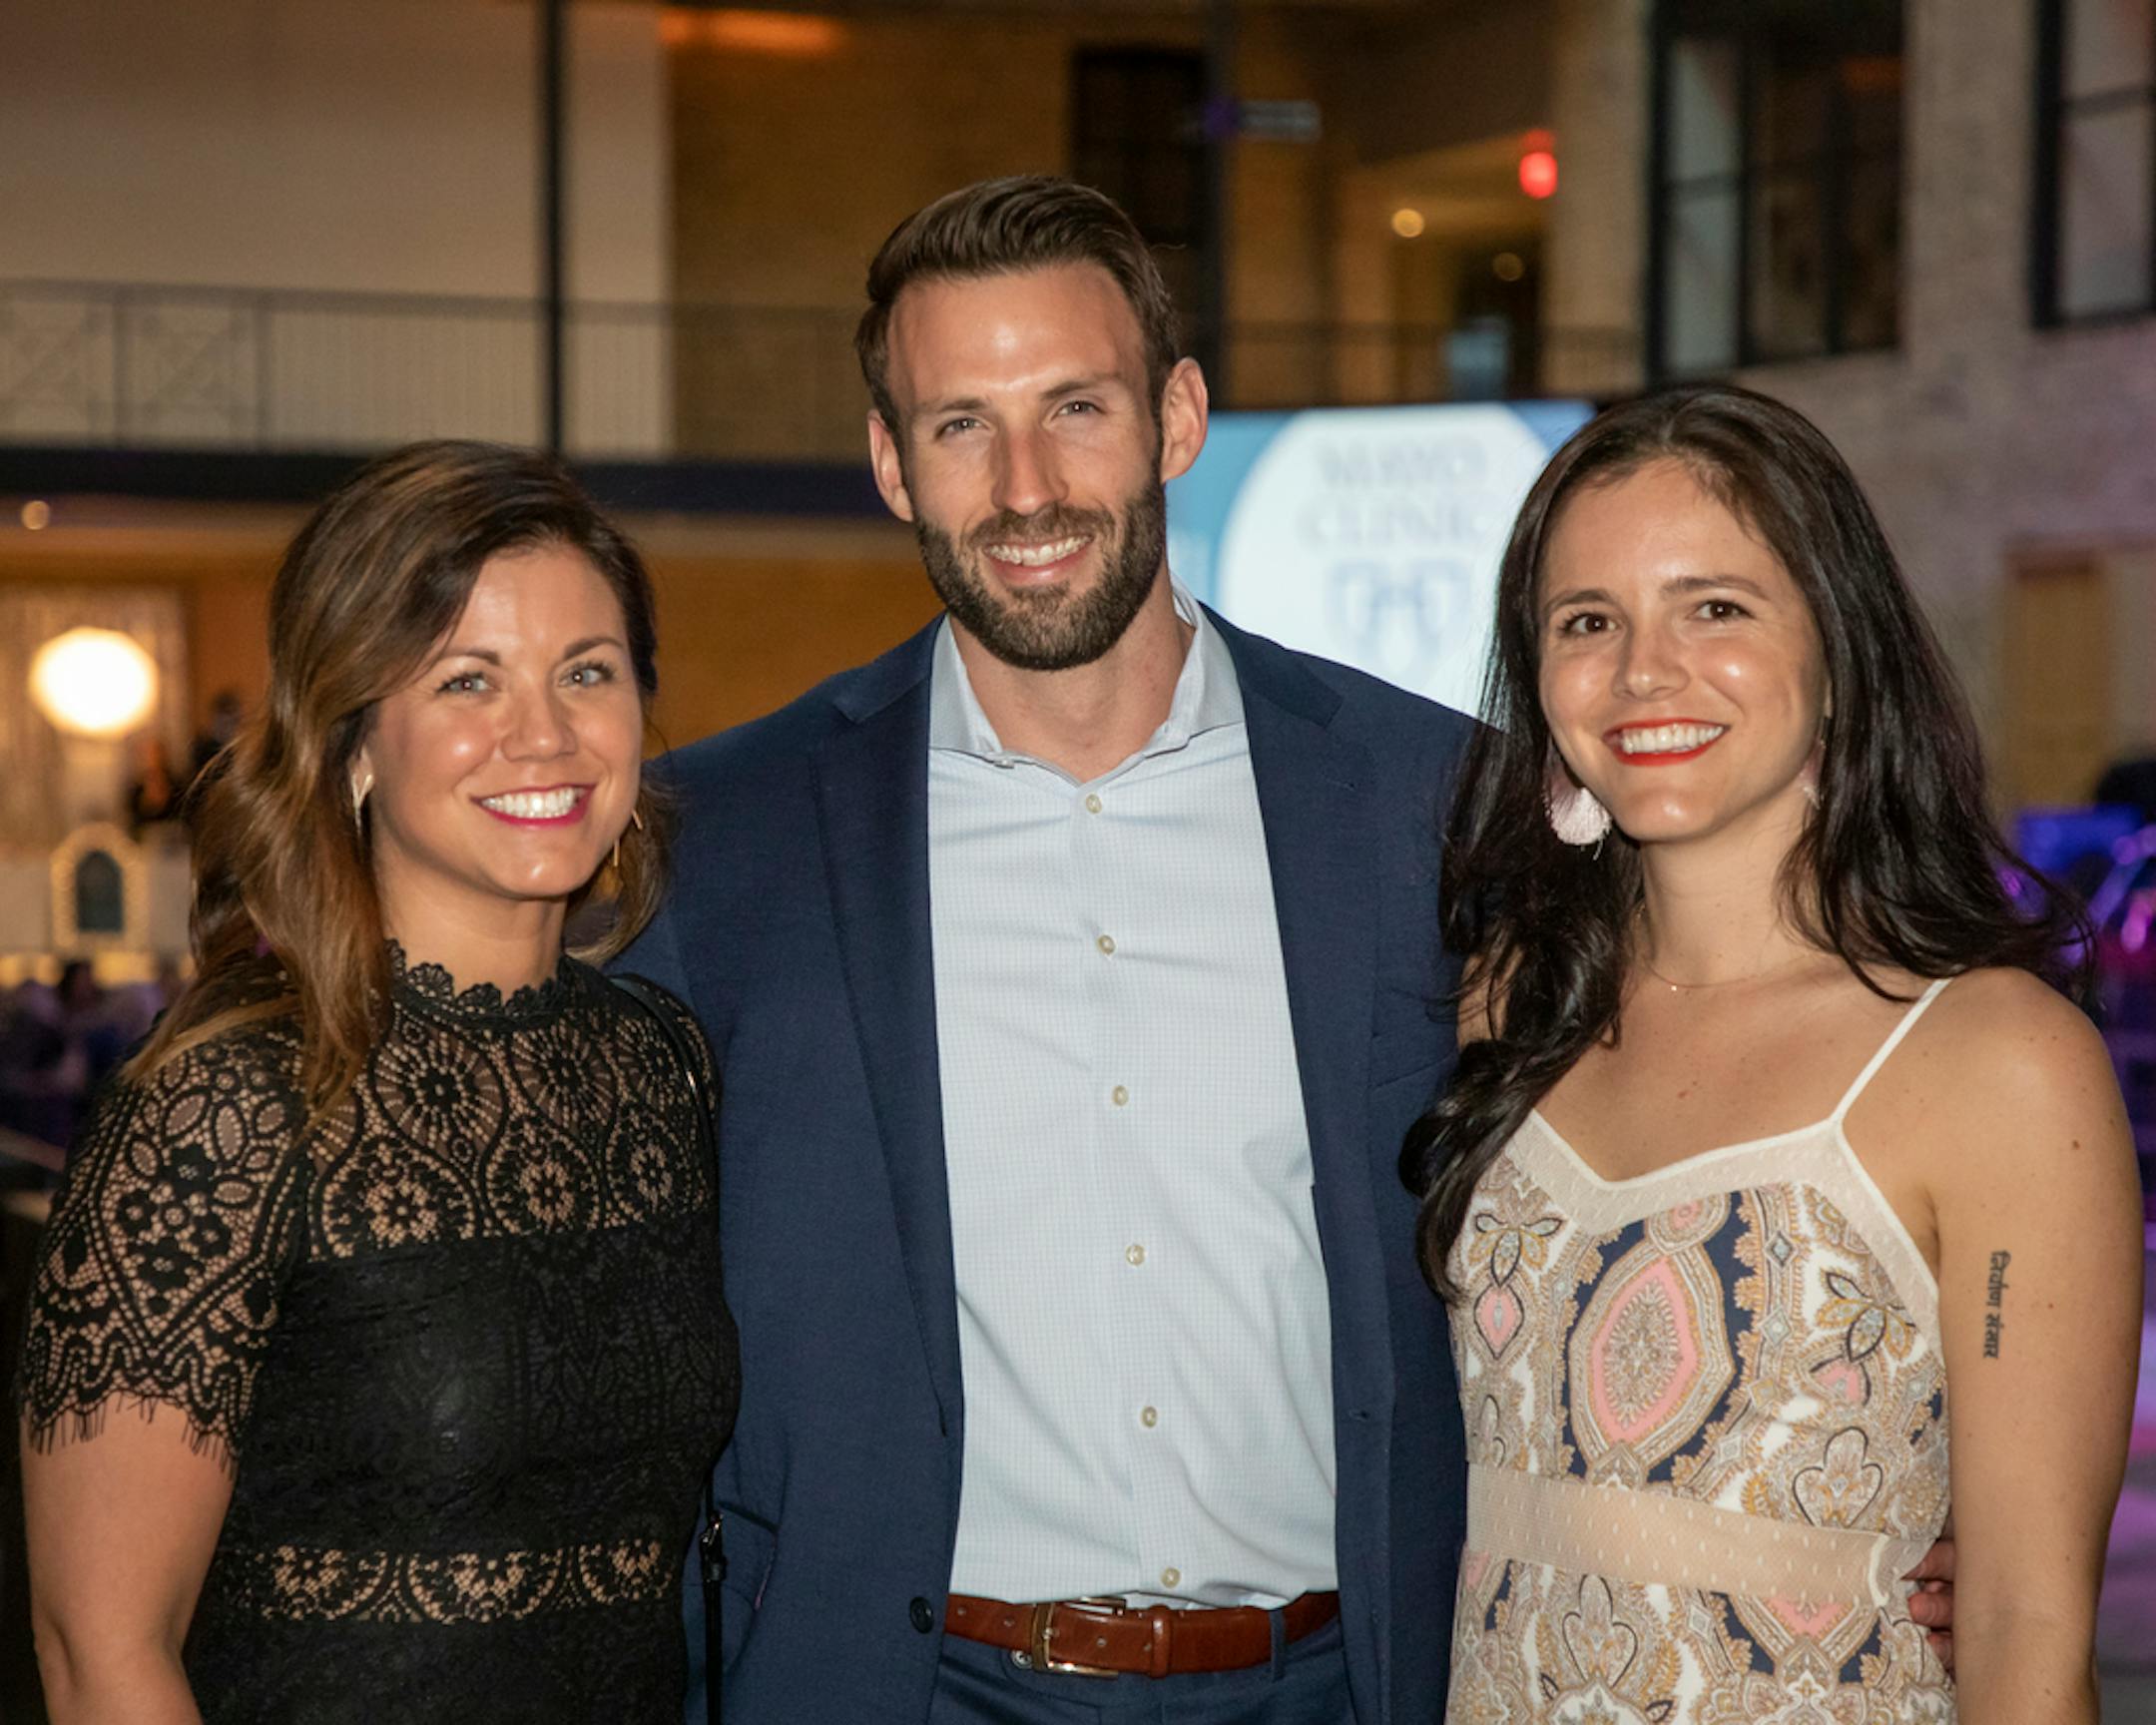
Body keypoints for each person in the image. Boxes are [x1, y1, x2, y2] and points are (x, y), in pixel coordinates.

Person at [618, 175, 1476, 1721]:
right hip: (907, 1684)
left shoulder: (1421, 801)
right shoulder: (721, 843)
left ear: (1179, 416)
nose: (1025, 487)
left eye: (1075, 406)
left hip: (1344, 1682)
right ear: (891, 462)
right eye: (960, 426)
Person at [1405, 384, 2138, 1722]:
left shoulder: (1997, 1062)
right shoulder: (1507, 1005)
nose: (1643, 671)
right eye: (1589, 622)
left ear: (1839, 650)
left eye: (1716, 607)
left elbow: (2032, 1630)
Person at [14, 441, 739, 1723]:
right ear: (354, 745)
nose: (545, 735)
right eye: (469, 680)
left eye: (589, 673)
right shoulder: (228, 1106)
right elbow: (101, 1651)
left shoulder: (660, 1064)